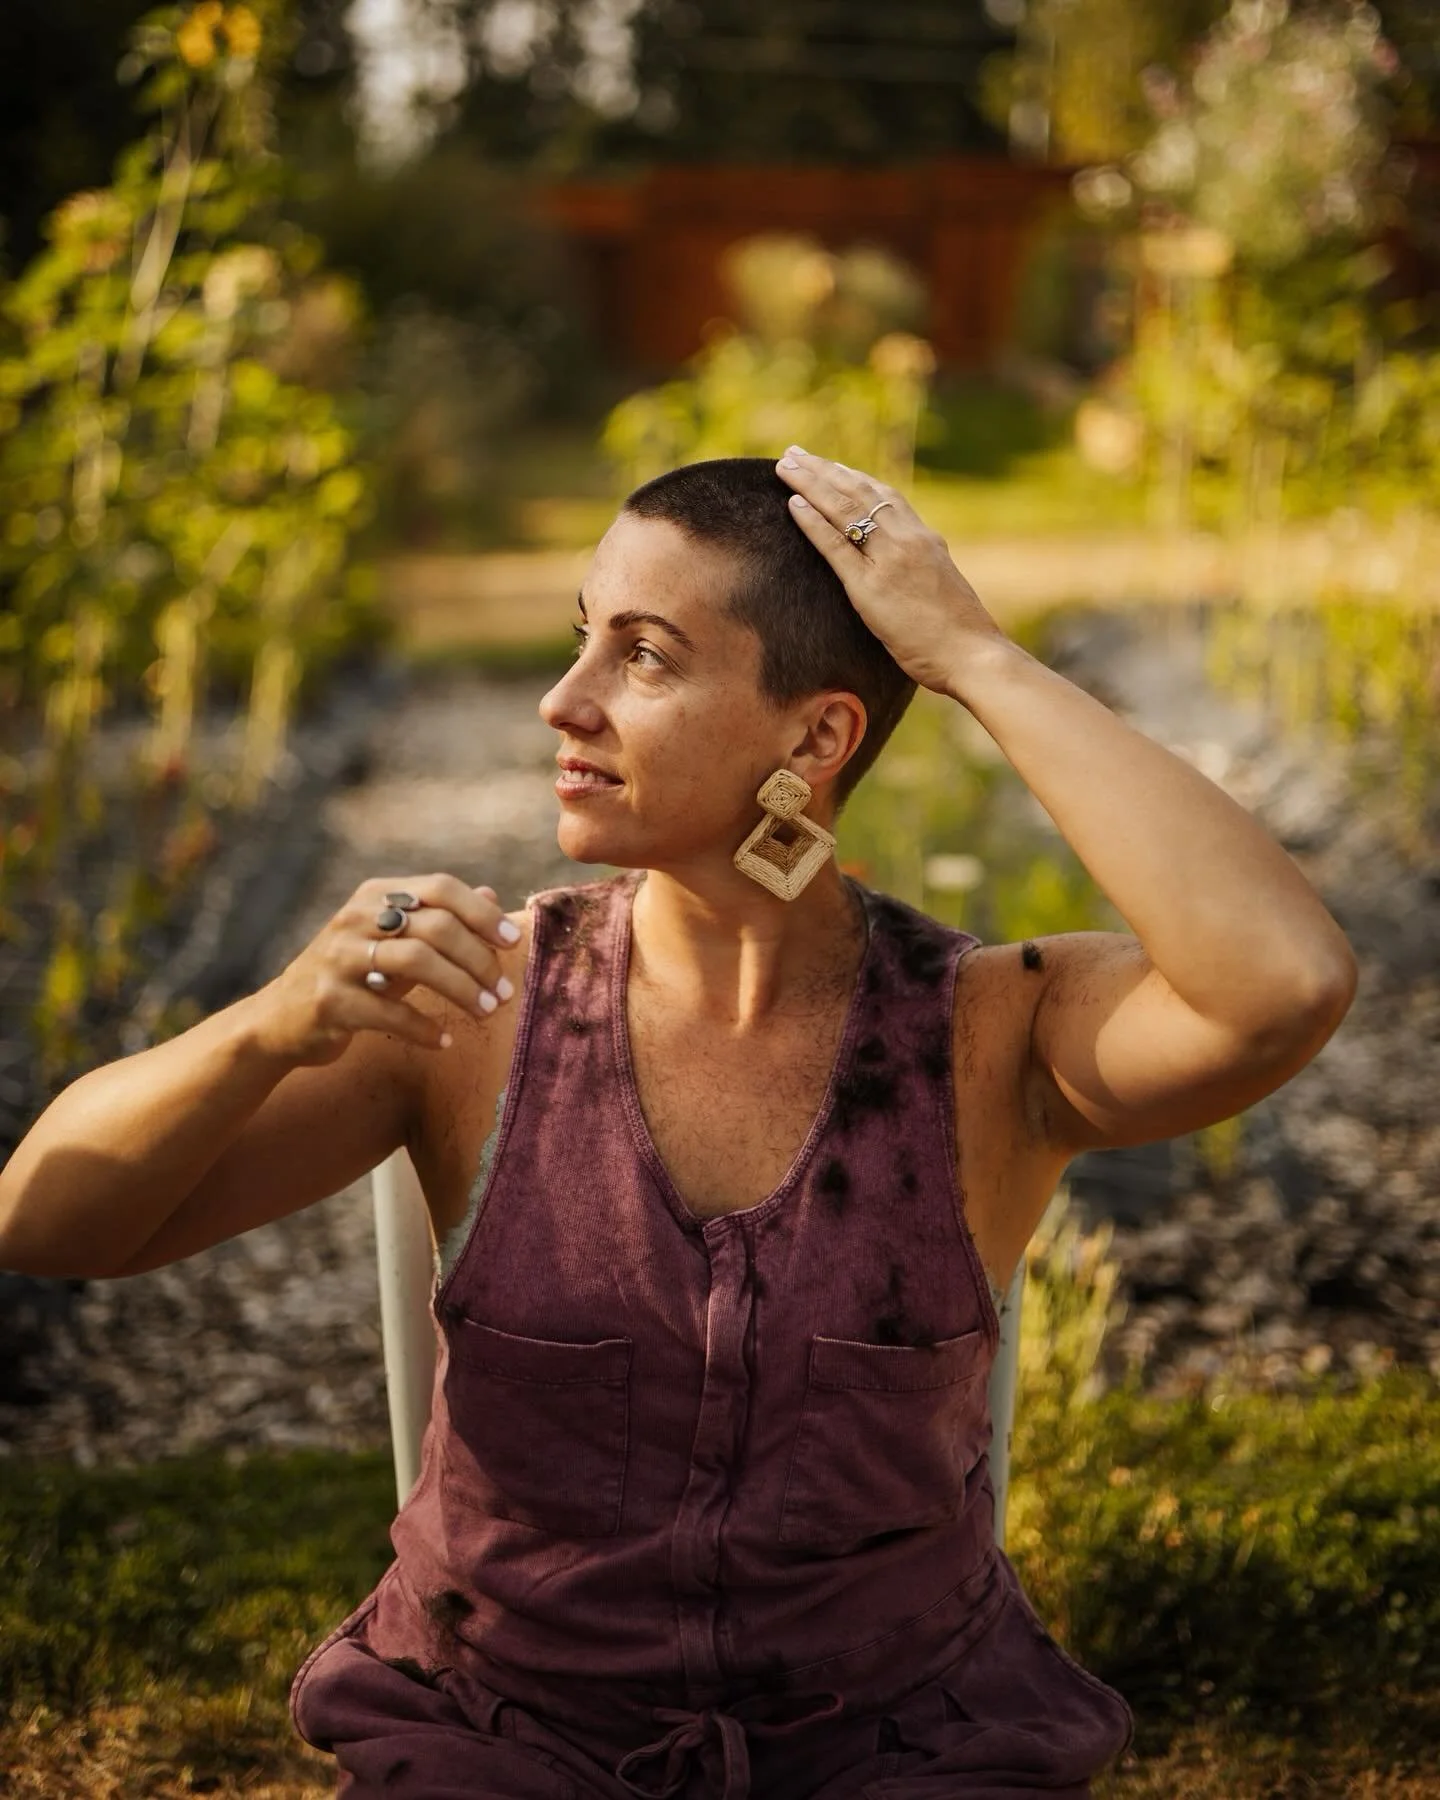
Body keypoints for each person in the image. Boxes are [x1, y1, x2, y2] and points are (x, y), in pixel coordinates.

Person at [0, 451, 1357, 1798]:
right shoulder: (475, 1010)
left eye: (642, 656)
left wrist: (975, 658)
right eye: (581, 636)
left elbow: (1283, 980)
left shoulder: (993, 1035)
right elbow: (48, 1221)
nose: (562, 699)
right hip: (500, 1739)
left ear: (815, 741)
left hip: (903, 1747)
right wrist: (267, 1024)